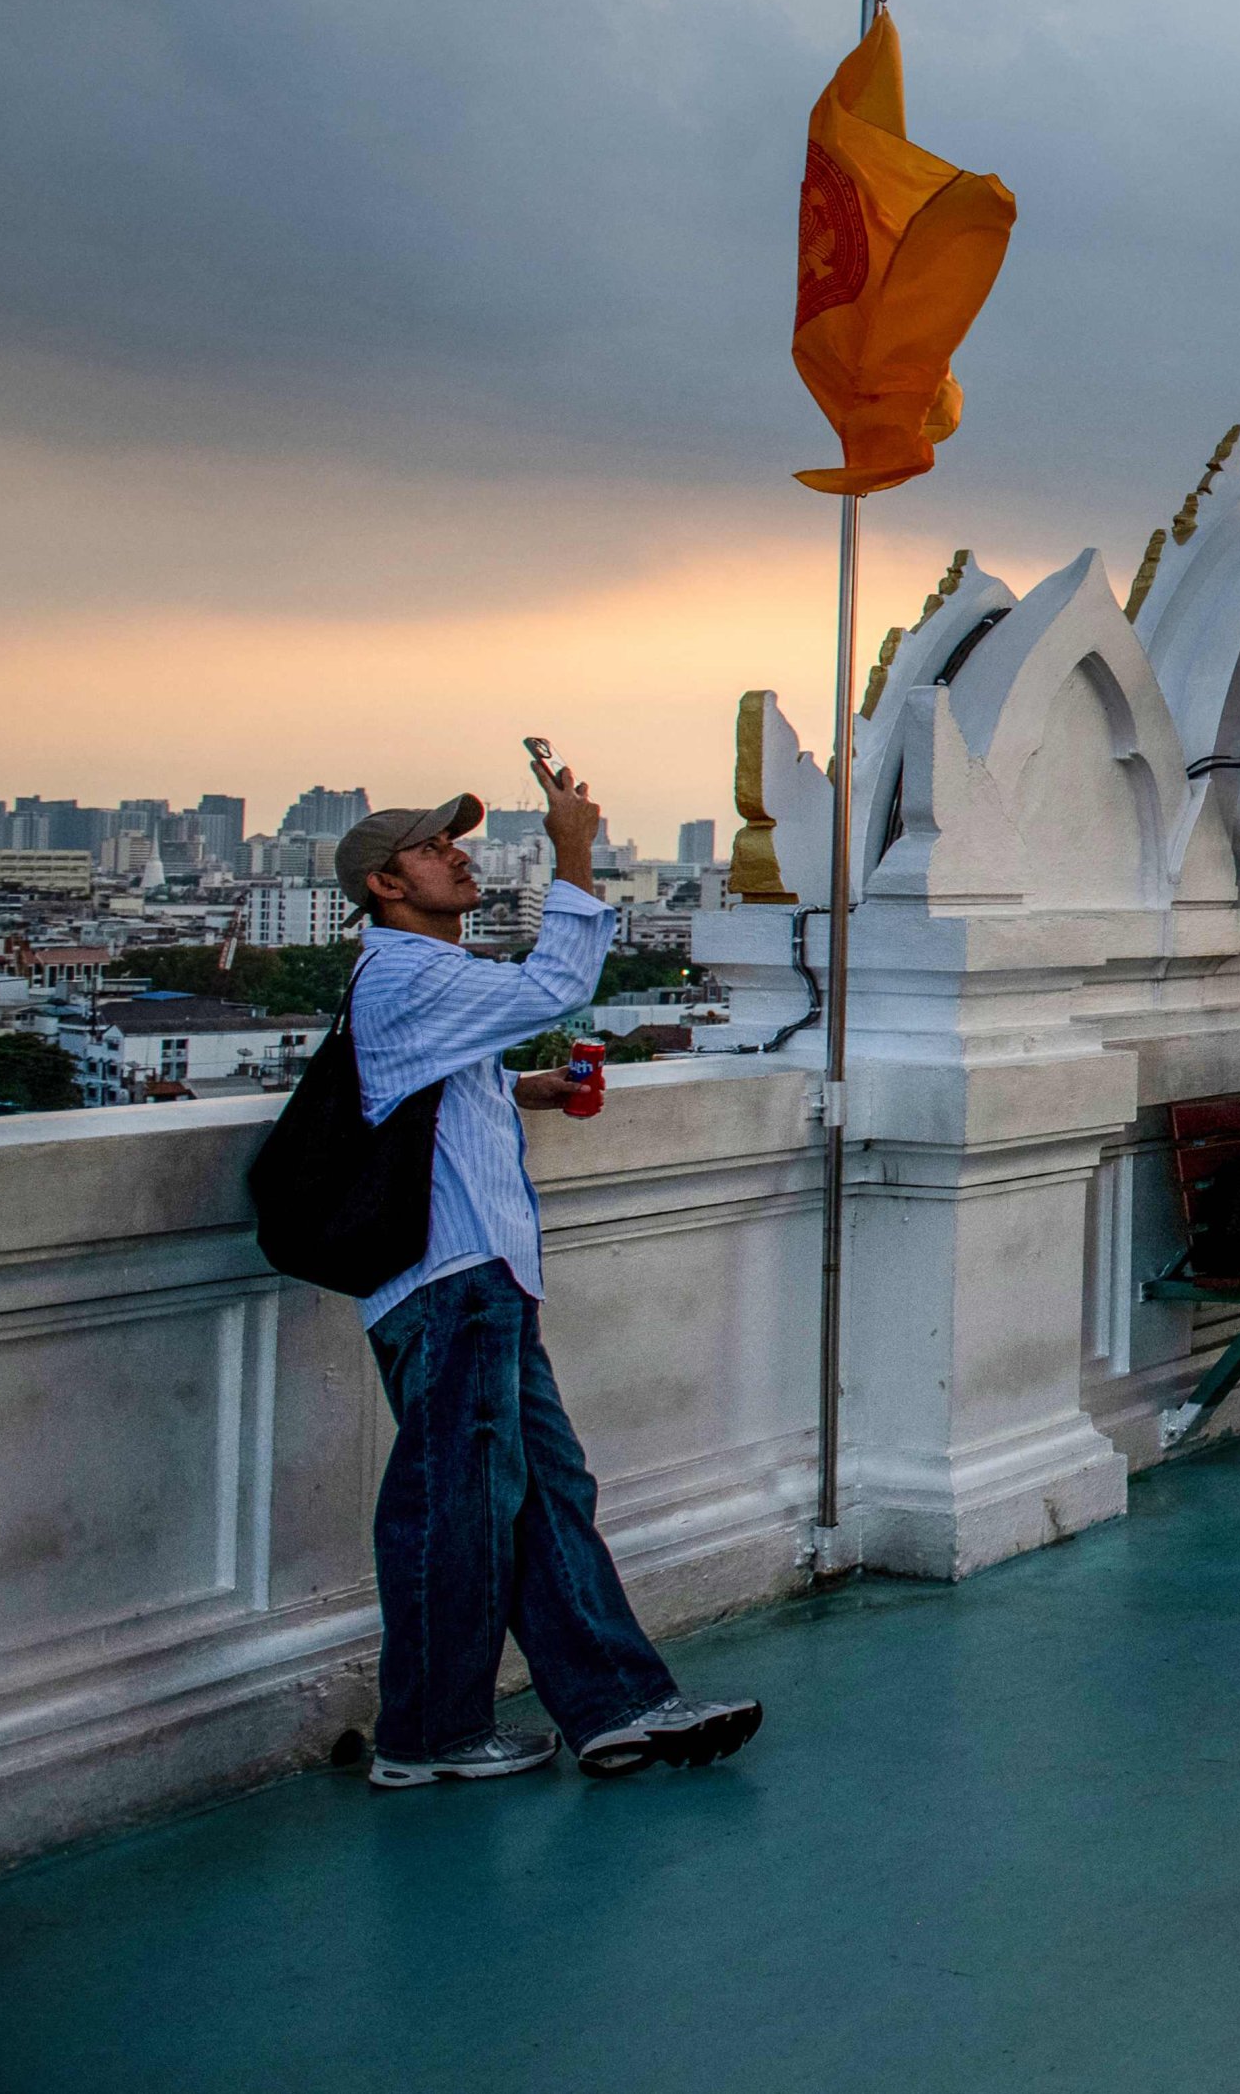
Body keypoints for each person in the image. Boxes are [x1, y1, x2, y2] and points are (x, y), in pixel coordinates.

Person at [336, 763, 759, 1789]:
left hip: (481, 1280)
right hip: (449, 1280)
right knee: (462, 1505)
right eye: (434, 849)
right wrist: (575, 850)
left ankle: (619, 1708)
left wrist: (519, 1085)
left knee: (542, 1495)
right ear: (386, 886)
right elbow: (558, 986)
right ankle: (427, 1736)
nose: (458, 856)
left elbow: (436, 1080)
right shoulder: (403, 970)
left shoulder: (418, 978)